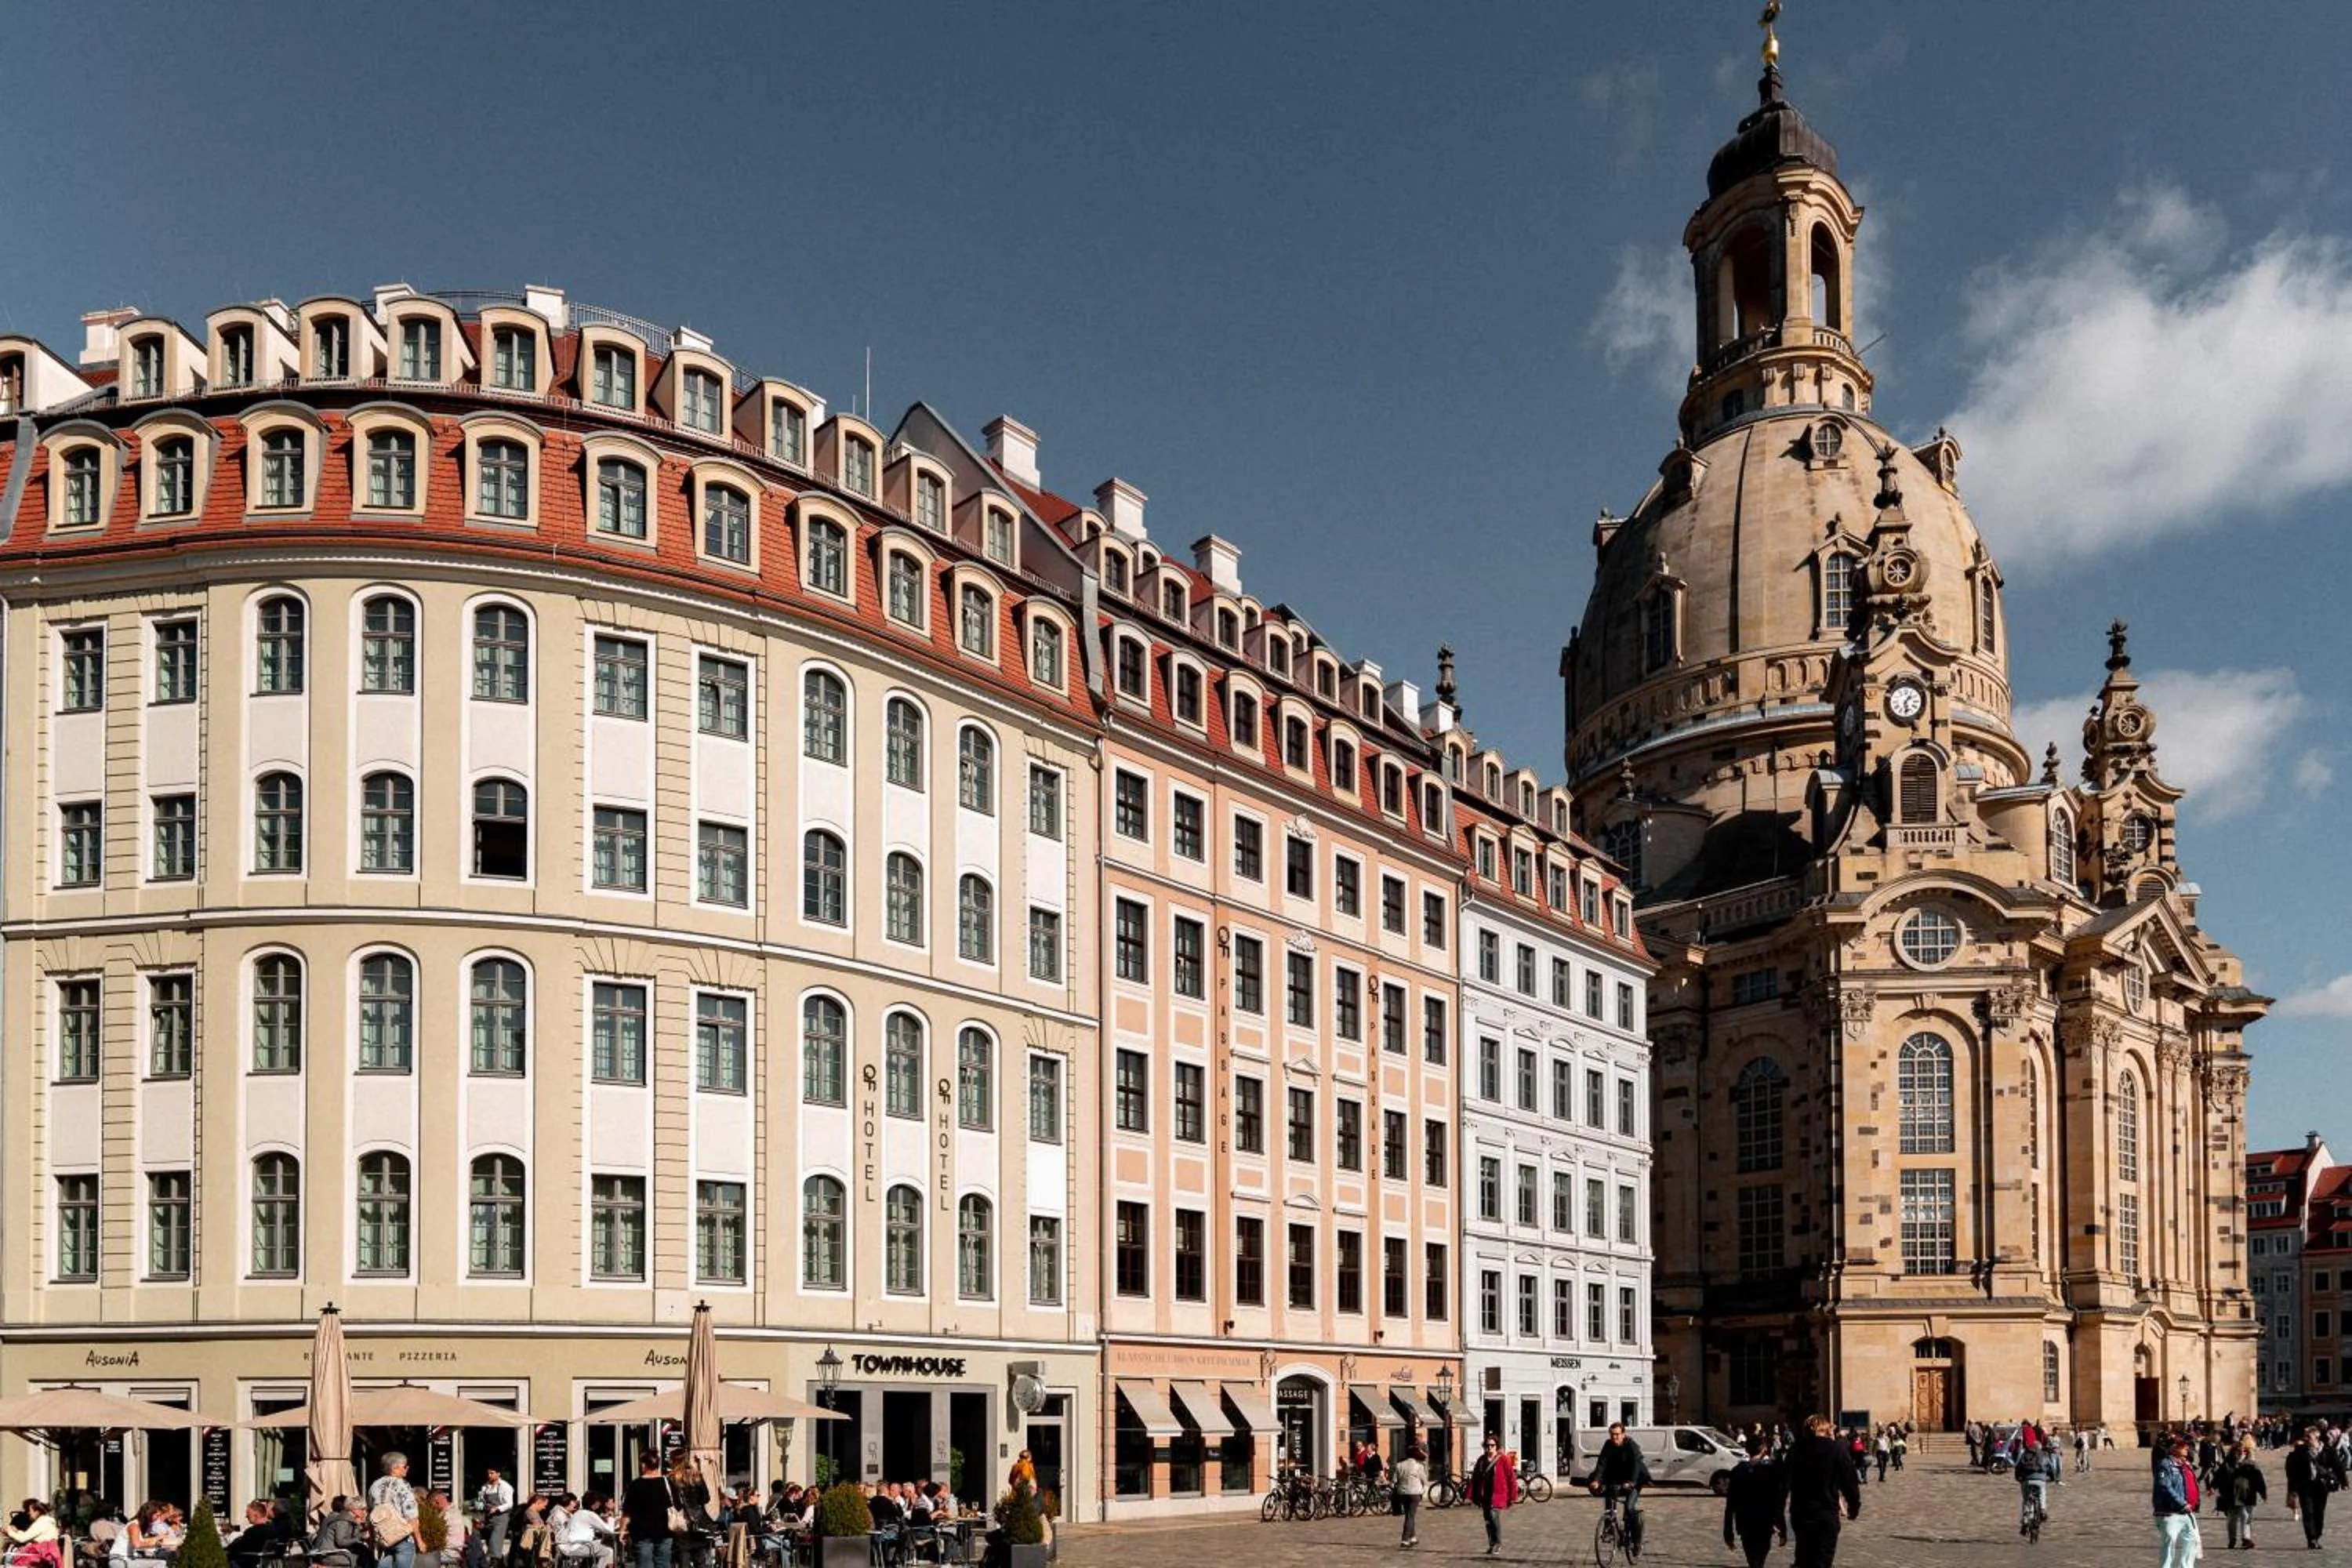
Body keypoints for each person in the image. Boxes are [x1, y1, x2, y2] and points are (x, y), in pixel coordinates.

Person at [1785, 1414, 1860, 1568]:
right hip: (1826, 1514)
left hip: (1801, 1514)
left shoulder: (1795, 1450)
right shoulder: (1837, 1449)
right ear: (1826, 1430)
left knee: (1803, 1558)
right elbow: (1850, 1483)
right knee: (1823, 1559)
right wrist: (1854, 1506)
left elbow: (1782, 1485)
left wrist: (1778, 1516)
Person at [1722, 1436, 1789, 1568]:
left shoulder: (1738, 1471)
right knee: (1760, 1557)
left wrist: (1728, 1533)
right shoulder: (1771, 1471)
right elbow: (1778, 1502)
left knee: (1752, 1557)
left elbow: (1730, 1505)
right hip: (1765, 1520)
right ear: (1764, 1450)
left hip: (1745, 1521)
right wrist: (1782, 1528)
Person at [1585, 1422, 1650, 1554]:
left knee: (1629, 1508)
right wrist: (1596, 1480)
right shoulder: (1608, 1445)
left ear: (1623, 1434)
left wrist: (1631, 1482)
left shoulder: (1631, 1445)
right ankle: (1609, 1528)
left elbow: (1637, 1464)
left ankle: (1637, 1542)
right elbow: (1602, 1464)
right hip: (1617, 1478)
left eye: (1617, 1434)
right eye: (1612, 1434)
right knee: (1609, 1494)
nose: (1614, 1437)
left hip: (1635, 1480)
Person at [2286, 1425, 2344, 1550]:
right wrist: (2292, 1488)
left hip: (2322, 1486)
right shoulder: (2300, 1451)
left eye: (2309, 1436)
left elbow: (2338, 1466)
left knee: (2319, 1513)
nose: (2306, 1438)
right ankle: (2311, 1538)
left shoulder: (2328, 1450)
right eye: (2305, 1436)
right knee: (2308, 1512)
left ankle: (2317, 1535)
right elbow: (2292, 1470)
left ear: (2317, 1436)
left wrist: (2344, 1482)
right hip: (2305, 1486)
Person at [2212, 1436, 2268, 1551]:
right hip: (2230, 1495)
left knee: (2245, 1515)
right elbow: (2218, 1477)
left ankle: (2246, 1539)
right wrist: (2212, 1487)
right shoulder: (2227, 1463)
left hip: (2246, 1494)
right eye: (2239, 1450)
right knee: (2232, 1519)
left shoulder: (2251, 1464)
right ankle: (2232, 1539)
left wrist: (2263, 1492)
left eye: (2244, 1450)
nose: (2241, 1452)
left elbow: (2259, 1479)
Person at [2154, 1435, 2201, 1567]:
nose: (2187, 1449)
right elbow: (2165, 1486)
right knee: (2169, 1543)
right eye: (2183, 1447)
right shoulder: (2165, 1464)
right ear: (2174, 1449)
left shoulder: (2183, 1464)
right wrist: (2181, 1503)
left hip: (2186, 1511)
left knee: (2191, 1541)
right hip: (2170, 1512)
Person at [620, 1456, 676, 1568]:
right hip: (665, 1531)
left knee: (644, 1565)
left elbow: (627, 1512)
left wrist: (623, 1530)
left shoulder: (636, 1485)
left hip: (642, 1533)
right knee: (664, 1564)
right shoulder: (668, 1483)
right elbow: (677, 1506)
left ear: (644, 1465)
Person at [370, 1453, 422, 1568]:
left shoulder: (375, 1485)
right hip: (402, 1536)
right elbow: (411, 1514)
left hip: (384, 1538)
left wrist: (373, 1539)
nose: (407, 1468)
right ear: (394, 1468)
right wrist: (419, 1541)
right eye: (405, 1466)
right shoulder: (403, 1485)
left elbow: (371, 1512)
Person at [1467, 1434, 1513, 1558]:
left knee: (1494, 1517)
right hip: (1485, 1494)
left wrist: (1512, 1495)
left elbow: (1511, 1478)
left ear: (1496, 1446)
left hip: (1497, 1494)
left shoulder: (1503, 1459)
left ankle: (1498, 1543)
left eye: (1492, 1445)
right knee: (1487, 1520)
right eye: (1487, 1445)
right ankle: (1492, 1543)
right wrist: (1471, 1494)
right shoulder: (1482, 1460)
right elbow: (1475, 1478)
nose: (1490, 1448)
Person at [557, 1493, 617, 1568]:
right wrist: (610, 1518)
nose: (600, 1506)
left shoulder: (578, 1513)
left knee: (605, 1548)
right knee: (608, 1550)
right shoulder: (590, 1515)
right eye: (599, 1504)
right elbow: (609, 1530)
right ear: (595, 1504)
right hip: (579, 1546)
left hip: (569, 1546)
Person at [476, 1466, 517, 1568]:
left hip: (501, 1518)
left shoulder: (505, 1487)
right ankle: (501, 1564)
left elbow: (509, 1504)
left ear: (499, 1474)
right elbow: (481, 1501)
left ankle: (493, 1564)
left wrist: (497, 1508)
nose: (490, 1475)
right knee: (490, 1542)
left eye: (492, 1473)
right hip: (488, 1517)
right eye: (489, 1473)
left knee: (495, 1541)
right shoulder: (485, 1487)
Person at [309, 1497, 366, 1568]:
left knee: (363, 1551)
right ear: (355, 1510)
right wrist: (360, 1537)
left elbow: (351, 1537)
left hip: (335, 1552)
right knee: (362, 1557)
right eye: (363, 1509)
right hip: (331, 1555)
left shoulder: (347, 1520)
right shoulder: (343, 1522)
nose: (365, 1512)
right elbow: (341, 1542)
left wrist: (359, 1527)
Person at [1392, 1443, 1428, 1551]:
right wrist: (1423, 1492)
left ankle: (1413, 1537)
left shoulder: (1399, 1465)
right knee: (1410, 1516)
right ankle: (1405, 1539)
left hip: (1402, 1493)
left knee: (1408, 1514)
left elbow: (1394, 1480)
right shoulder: (1419, 1466)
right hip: (1415, 1493)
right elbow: (1424, 1480)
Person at [2016, 1430, 2051, 1539]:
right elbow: (2050, 1468)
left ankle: (2025, 1521)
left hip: (2026, 1480)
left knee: (2026, 1501)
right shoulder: (2044, 1455)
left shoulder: (2025, 1454)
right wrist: (2053, 1477)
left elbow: (2018, 1467)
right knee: (2042, 1493)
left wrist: (2018, 1478)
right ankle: (2042, 1510)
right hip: (2040, 1480)